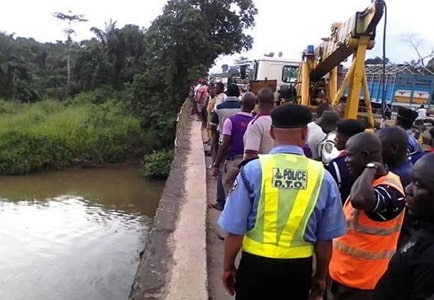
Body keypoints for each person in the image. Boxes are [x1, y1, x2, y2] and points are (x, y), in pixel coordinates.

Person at [218, 104, 347, 300]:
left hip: (255, 266)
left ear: (271, 132)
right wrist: (321, 276)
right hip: (298, 270)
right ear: (304, 134)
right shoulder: (323, 176)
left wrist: (228, 267)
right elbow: (325, 238)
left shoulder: (253, 170)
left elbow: (235, 229)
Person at [329, 132, 406, 300]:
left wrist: (371, 167)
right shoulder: (366, 182)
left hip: (363, 284)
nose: (346, 160)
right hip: (343, 276)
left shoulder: (390, 189)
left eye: (349, 156)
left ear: (365, 156)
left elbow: (360, 200)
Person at [373, 153, 434, 300]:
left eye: (418, 185)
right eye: (412, 182)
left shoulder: (429, 258)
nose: (408, 189)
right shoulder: (423, 225)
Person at [377, 126, 414, 247]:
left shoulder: (400, 177)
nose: (375, 151)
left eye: (379, 147)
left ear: (393, 148)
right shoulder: (403, 170)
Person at [212, 92, 256, 195]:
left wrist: (216, 164)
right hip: (251, 163)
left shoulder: (231, 121)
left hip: (233, 162)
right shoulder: (255, 122)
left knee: (230, 193)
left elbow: (225, 144)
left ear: (241, 103)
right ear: (254, 106)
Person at [209, 84, 241, 211]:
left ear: (227, 93)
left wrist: (214, 142)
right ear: (238, 94)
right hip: (240, 143)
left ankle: (220, 201)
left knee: (222, 171)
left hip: (224, 142)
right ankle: (236, 202)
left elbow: (212, 125)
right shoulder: (243, 107)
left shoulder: (219, 108)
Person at [326, 119, 366, 203]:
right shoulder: (368, 161)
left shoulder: (336, 166)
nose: (334, 140)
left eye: (337, 137)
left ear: (348, 139)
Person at [243, 87, 275, 160]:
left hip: (261, 168)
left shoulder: (255, 124)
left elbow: (250, 155)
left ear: (256, 102)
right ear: (273, 103)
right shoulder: (279, 122)